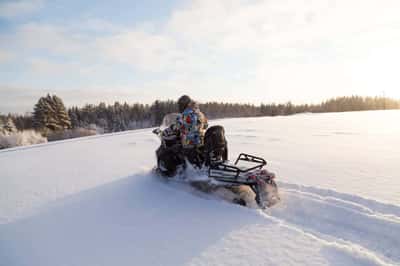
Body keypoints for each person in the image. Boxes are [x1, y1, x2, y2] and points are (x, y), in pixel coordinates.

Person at [176, 95, 208, 167]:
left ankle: (181, 171)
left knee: (176, 150)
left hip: (190, 142)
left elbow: (178, 126)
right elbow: (206, 125)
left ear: (184, 104)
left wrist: (176, 126)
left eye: (180, 105)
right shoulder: (199, 112)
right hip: (201, 140)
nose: (179, 107)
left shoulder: (186, 113)